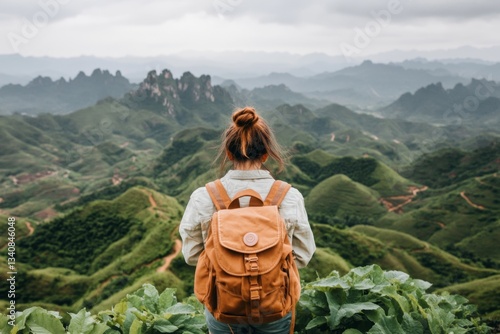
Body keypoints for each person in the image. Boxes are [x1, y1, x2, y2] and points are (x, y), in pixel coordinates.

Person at [179, 106, 316, 334]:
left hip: (223, 307)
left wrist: (230, 265)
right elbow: (302, 255)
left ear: (228, 154)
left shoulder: (203, 198)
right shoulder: (289, 197)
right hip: (275, 306)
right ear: (265, 154)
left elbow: (192, 255)